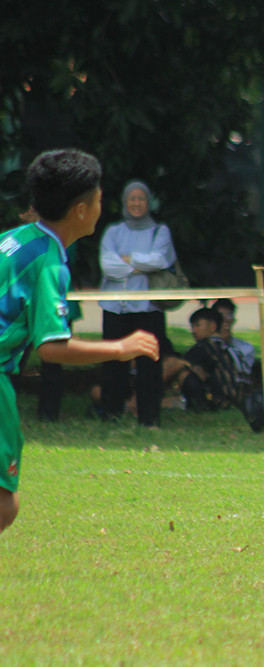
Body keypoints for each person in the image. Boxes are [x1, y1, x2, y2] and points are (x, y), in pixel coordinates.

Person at [0, 149, 159, 534]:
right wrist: (120, 348)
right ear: (81, 210)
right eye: (100, 200)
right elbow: (51, 347)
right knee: (5, 505)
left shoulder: (14, 239)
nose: (102, 208)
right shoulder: (49, 262)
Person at [98, 179, 179, 427]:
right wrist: (140, 265)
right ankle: (110, 414)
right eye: (132, 199)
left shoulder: (160, 231)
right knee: (113, 362)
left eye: (141, 199)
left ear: (148, 202)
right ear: (125, 202)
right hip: (115, 307)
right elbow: (108, 266)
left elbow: (160, 260)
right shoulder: (113, 232)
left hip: (148, 309)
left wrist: (126, 259)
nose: (137, 203)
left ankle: (149, 418)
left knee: (149, 364)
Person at [177, 308, 240, 412]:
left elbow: (194, 370)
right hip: (237, 400)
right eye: (192, 327)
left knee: (184, 370)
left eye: (198, 325)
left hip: (217, 401)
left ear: (213, 327)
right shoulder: (233, 348)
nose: (194, 331)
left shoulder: (203, 348)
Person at [211, 298, 256, 389]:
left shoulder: (246, 348)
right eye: (221, 315)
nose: (225, 319)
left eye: (229, 315)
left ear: (234, 319)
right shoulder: (206, 347)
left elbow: (243, 374)